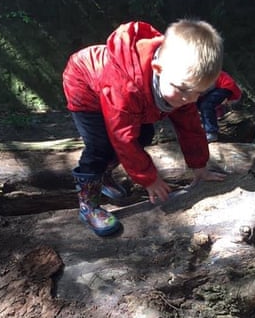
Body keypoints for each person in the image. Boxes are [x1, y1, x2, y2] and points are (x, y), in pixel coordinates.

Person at [62, 19, 227, 237]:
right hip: (85, 89)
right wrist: (148, 178)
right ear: (158, 69)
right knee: (100, 146)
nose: (189, 99)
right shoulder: (125, 86)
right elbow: (122, 137)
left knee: (145, 133)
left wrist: (199, 165)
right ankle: (88, 205)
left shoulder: (180, 87)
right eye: (184, 90)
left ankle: (104, 176)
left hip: (131, 98)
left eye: (198, 93)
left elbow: (190, 126)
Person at [196, 70, 242, 143]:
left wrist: (198, 94)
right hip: (215, 86)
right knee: (199, 105)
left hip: (225, 85)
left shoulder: (197, 74)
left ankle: (211, 132)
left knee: (206, 105)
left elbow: (209, 85)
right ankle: (203, 129)